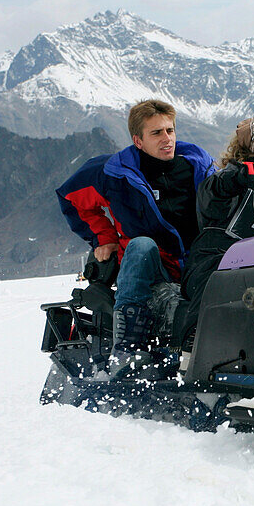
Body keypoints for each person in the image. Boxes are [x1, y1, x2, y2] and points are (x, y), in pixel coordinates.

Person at [56, 99, 214, 375]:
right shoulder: (114, 172)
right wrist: (103, 237)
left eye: (170, 130)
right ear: (138, 141)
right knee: (142, 245)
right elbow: (71, 197)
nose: (167, 139)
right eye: (156, 133)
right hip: (150, 273)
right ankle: (127, 349)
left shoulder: (198, 166)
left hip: (197, 268)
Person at [177, 112, 254, 361]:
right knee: (218, 277)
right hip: (214, 257)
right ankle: (191, 346)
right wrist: (238, 178)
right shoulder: (231, 179)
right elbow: (211, 195)